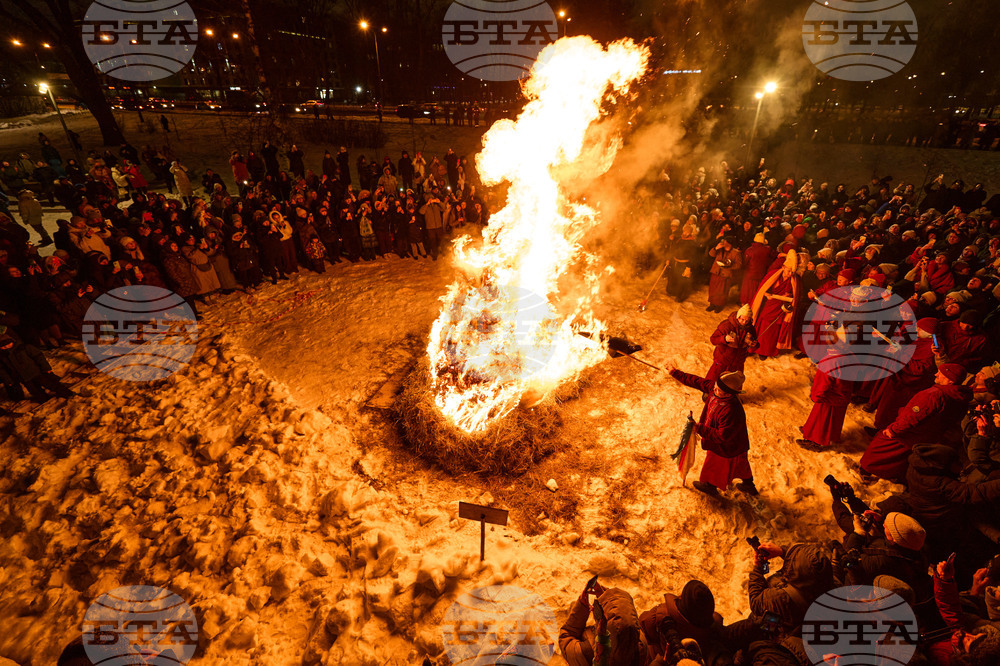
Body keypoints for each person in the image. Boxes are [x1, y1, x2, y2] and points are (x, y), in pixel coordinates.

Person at [861, 363, 972, 482]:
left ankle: (866, 470)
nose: (936, 374)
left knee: (879, 450)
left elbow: (913, 417)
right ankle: (894, 475)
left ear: (950, 380)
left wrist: (893, 430)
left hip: (908, 434)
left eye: (941, 373)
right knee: (900, 459)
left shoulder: (935, 395)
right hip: (926, 437)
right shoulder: (961, 398)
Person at [665, 363, 756, 497]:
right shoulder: (716, 389)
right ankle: (748, 484)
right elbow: (697, 381)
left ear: (729, 394)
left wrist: (699, 428)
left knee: (715, 466)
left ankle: (710, 486)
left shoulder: (731, 410)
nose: (714, 391)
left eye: (719, 390)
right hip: (737, 444)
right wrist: (675, 373)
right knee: (740, 464)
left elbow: (722, 435)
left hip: (726, 446)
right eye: (715, 388)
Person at [558, 579, 647, 666]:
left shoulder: (587, 652)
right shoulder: (641, 645)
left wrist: (581, 608)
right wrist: (608, 598)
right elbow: (626, 621)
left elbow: (566, 638)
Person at [750, 251, 801, 358]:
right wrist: (766, 294)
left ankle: (766, 351)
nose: (790, 274)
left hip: (780, 309)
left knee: (773, 331)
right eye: (788, 270)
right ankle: (756, 347)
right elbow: (762, 289)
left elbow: (795, 297)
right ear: (783, 267)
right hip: (769, 305)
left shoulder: (794, 281)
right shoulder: (773, 275)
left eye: (792, 272)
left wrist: (788, 296)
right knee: (762, 326)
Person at [0, 330, 75, 402]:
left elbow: (38, 356)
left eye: (8, 344)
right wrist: (8, 380)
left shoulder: (23, 348)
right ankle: (43, 399)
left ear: (12, 341)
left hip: (36, 372)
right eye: (3, 346)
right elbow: (2, 370)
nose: (6, 346)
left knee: (49, 384)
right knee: (34, 390)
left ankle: (67, 393)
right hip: (23, 378)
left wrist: (45, 368)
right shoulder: (2, 356)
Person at [706, 304, 758, 382]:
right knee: (713, 379)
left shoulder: (750, 329)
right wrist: (724, 339)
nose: (744, 322)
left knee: (733, 382)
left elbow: (753, 345)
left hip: (738, 363)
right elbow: (713, 339)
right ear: (738, 317)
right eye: (742, 319)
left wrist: (754, 344)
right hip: (723, 359)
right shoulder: (726, 325)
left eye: (747, 321)